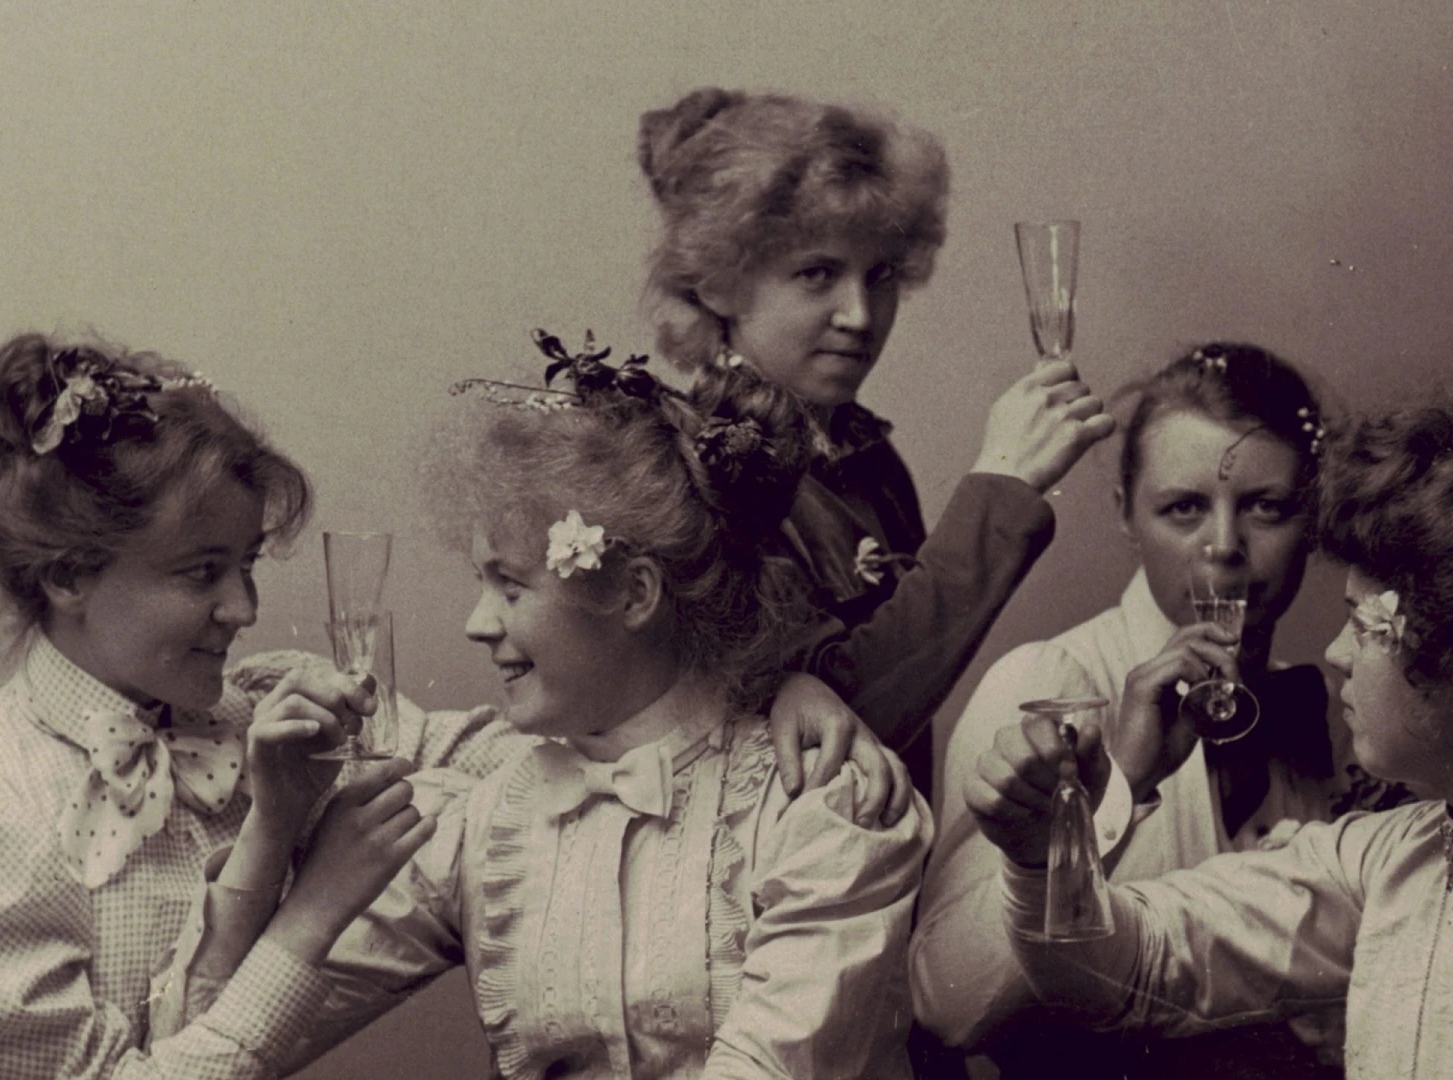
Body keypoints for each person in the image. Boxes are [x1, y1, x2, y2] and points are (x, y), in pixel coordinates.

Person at [156, 336, 934, 1077]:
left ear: (634, 593)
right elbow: (209, 1050)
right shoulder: (488, 821)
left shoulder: (819, 811)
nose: (477, 623)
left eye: (511, 585)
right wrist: (269, 833)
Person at [963, 400, 1453, 1076]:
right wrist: (1045, 850)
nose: (1335, 653)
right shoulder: (1384, 859)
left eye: (1363, 624)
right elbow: (1119, 968)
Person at [0, 334, 462, 1079]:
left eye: (246, 564)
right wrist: (310, 913)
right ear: (68, 576)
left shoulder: (261, 718)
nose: (244, 610)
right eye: (201, 572)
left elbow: (488, 761)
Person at [912, 342, 1410, 1076]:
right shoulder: (1050, 683)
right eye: (1184, 508)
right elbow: (945, 1004)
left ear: (1314, 519)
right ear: (1125, 513)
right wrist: (1118, 781)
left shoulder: (1338, 713)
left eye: (1267, 507)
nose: (1223, 548)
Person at [637, 87, 1116, 792]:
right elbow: (842, 731)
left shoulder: (868, 458)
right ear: (717, 284)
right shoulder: (702, 467)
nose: (860, 316)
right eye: (817, 274)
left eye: (881, 274)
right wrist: (1003, 488)